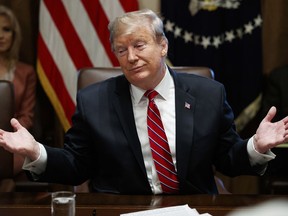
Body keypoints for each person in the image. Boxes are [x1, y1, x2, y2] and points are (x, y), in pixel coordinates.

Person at [0, 9, 288, 195]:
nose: (131, 57)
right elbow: (76, 166)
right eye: (121, 50)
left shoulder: (208, 94)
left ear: (162, 46)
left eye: (139, 45)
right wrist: (36, 151)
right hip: (122, 209)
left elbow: (228, 158)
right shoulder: (94, 100)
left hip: (192, 209)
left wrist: (255, 146)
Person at [0, 5, 37, 177]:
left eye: (6, 29)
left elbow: (26, 116)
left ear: (14, 35)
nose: (1, 35)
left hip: (13, 141)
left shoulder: (27, 72)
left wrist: (7, 137)